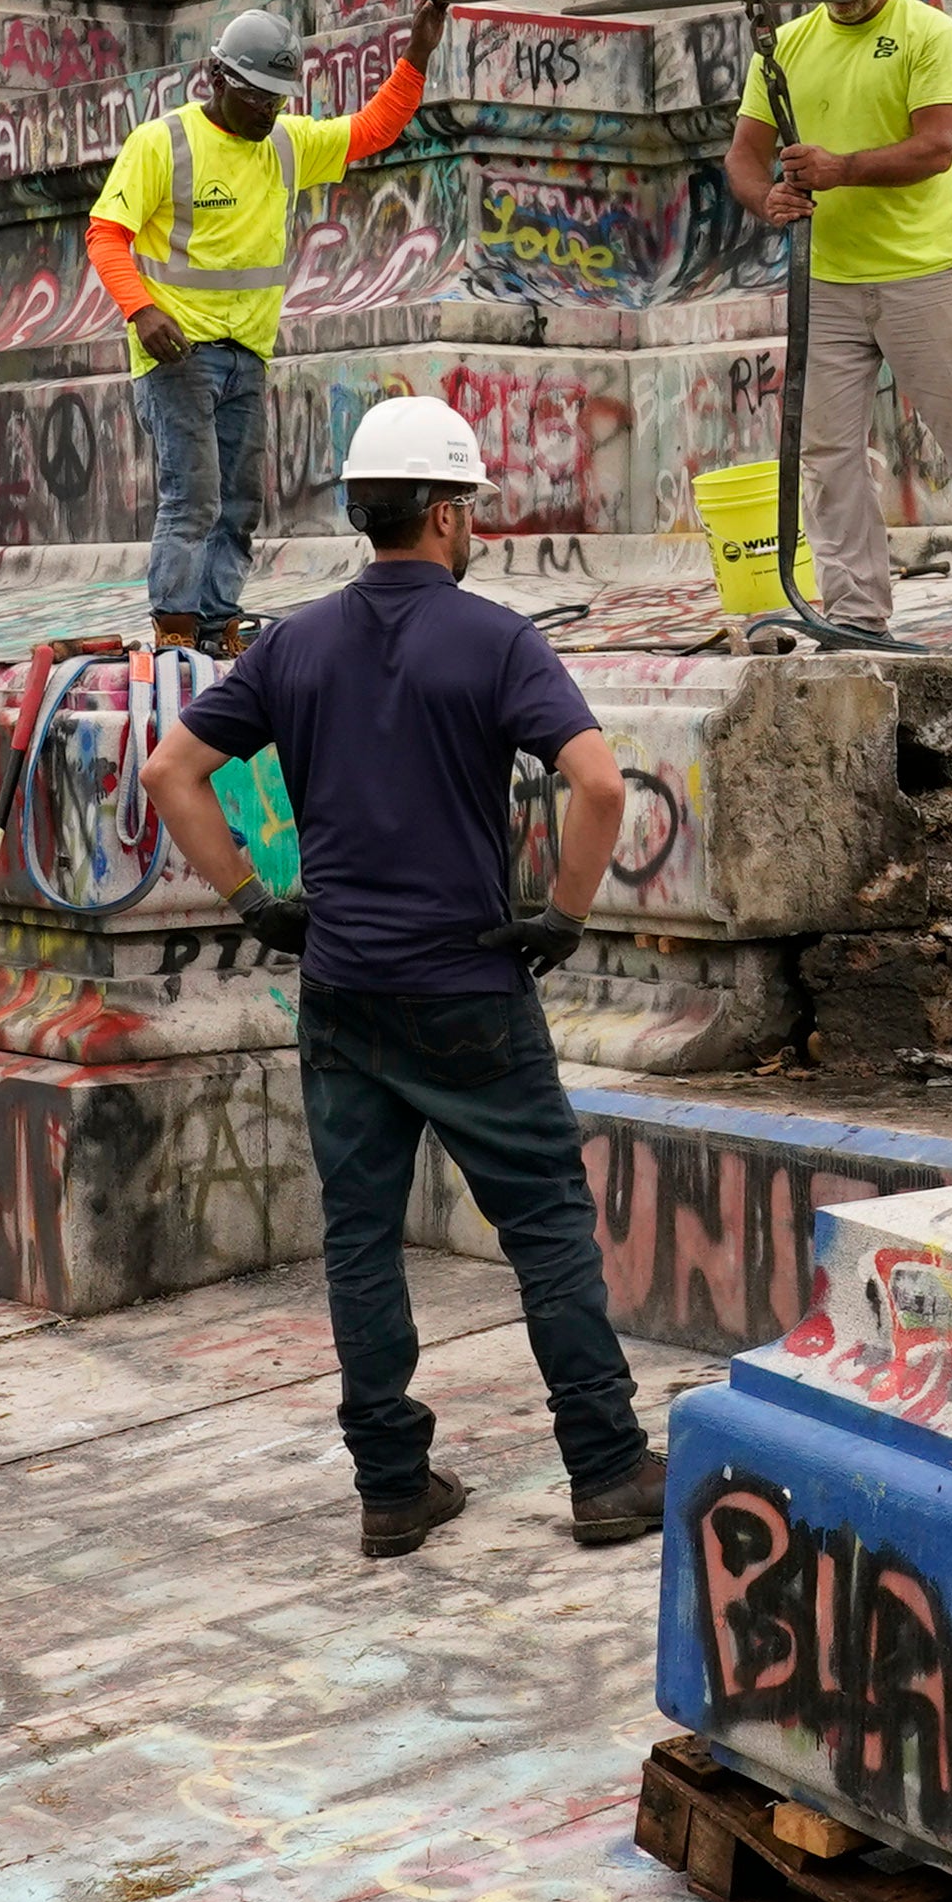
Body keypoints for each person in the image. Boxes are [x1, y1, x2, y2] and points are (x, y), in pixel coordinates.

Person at [145, 394, 660, 1564]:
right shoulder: (496, 641)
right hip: (469, 989)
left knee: (361, 1237)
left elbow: (174, 772)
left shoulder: (294, 644)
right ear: (440, 514)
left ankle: (391, 1486)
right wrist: (562, 920)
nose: (472, 525)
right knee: (544, 1224)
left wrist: (255, 902)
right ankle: (606, 1466)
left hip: (343, 991)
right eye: (467, 506)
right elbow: (599, 787)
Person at [86, 0, 451, 650]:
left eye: (277, 98)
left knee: (238, 503)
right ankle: (173, 628)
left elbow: (371, 130)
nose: (268, 110)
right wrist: (141, 310)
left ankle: (217, 623)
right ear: (216, 79)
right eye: (256, 96)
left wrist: (417, 53)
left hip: (246, 353)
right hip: (178, 355)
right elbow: (106, 235)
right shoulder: (162, 143)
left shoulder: (284, 143)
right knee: (193, 495)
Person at [726, 0, 952, 651]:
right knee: (827, 452)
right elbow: (742, 154)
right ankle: (854, 612)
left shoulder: (927, 32)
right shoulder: (784, 45)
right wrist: (764, 199)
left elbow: (935, 147)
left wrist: (839, 170)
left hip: (923, 274)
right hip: (823, 278)